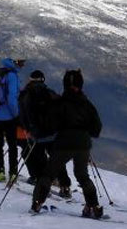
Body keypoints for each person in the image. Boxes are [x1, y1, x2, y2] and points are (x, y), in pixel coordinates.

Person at [31, 70, 103, 218]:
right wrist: (85, 132)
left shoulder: (59, 103)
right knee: (82, 175)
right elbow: (96, 128)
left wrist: (37, 133)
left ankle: (37, 202)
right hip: (83, 143)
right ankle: (94, 205)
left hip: (63, 143)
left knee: (49, 173)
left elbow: (50, 125)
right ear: (80, 84)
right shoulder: (87, 104)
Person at [18, 70, 72, 197]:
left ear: (30, 80)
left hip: (35, 135)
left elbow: (23, 115)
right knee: (56, 160)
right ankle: (65, 186)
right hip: (52, 134)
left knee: (33, 156)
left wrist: (27, 130)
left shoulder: (25, 95)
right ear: (43, 80)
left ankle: (41, 183)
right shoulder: (51, 93)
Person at [0, 58, 24, 183]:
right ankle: (13, 173)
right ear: (15, 63)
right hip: (8, 116)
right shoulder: (12, 76)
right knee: (12, 144)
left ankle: (0, 171)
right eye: (21, 63)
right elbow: (11, 99)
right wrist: (17, 114)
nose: (22, 65)